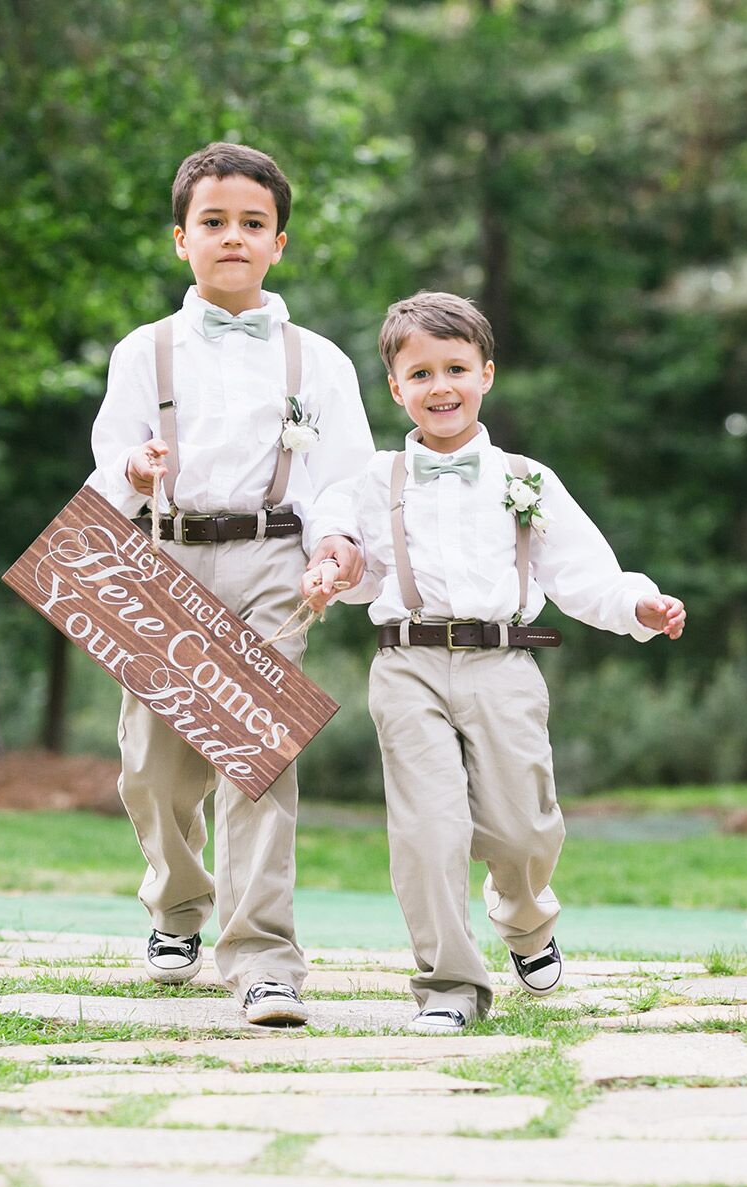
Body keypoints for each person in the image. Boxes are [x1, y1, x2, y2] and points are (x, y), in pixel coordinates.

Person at [302, 291, 685, 1033]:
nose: (439, 387)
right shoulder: (374, 482)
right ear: (395, 387)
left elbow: (581, 573)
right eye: (420, 374)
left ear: (486, 374)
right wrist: (338, 570)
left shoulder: (526, 479)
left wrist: (637, 605)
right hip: (407, 663)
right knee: (427, 829)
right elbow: (357, 563)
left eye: (455, 369)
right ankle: (447, 984)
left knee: (525, 830)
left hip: (505, 665)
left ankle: (525, 918)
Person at [87, 142, 374, 1026]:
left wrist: (335, 549)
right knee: (154, 766)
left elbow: (343, 478)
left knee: (258, 756)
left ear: (279, 242)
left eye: (253, 224)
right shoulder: (145, 351)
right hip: (164, 557)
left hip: (272, 562)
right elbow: (107, 474)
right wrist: (136, 471)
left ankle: (262, 960)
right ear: (182, 239)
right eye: (214, 223)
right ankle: (178, 903)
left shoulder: (318, 360)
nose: (234, 238)